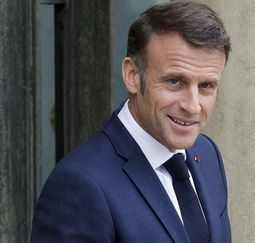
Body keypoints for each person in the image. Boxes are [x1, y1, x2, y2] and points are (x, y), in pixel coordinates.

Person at [31, 1, 231, 242]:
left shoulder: (207, 154)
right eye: (175, 81)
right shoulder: (79, 186)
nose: (192, 105)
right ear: (132, 76)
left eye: (206, 86)